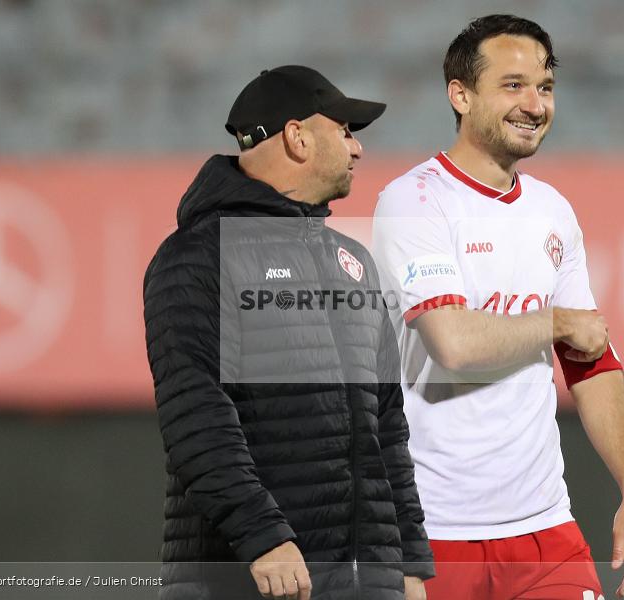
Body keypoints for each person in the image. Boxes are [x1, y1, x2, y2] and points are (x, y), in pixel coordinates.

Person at [372, 15, 624, 600]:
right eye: (513, 85)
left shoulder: (553, 211)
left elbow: (591, 362)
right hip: (434, 530)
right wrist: (556, 322)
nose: (535, 104)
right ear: (461, 95)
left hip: (545, 529)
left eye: (545, 87)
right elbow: (453, 344)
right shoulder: (414, 201)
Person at [143, 65, 434, 600]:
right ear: (297, 137)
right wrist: (263, 537)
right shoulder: (197, 256)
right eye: (344, 130)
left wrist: (407, 561)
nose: (358, 148)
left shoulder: (354, 262)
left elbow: (388, 427)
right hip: (253, 577)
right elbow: (196, 414)